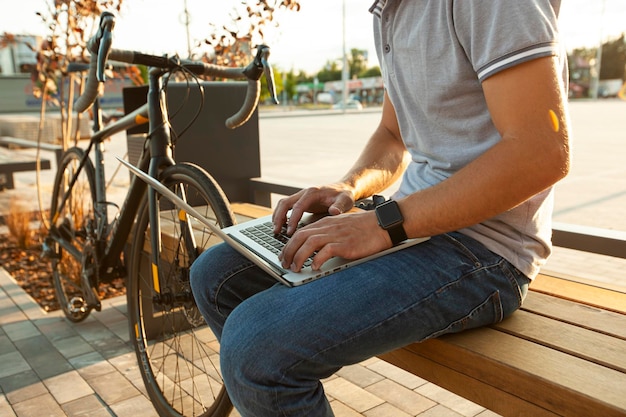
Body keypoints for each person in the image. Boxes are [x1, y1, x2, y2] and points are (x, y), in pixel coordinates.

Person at [190, 1, 571, 416]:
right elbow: (393, 135)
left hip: (486, 251)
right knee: (215, 275)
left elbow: (541, 151)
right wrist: (348, 187)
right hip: (414, 224)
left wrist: (384, 224)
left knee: (256, 348)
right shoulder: (390, 11)